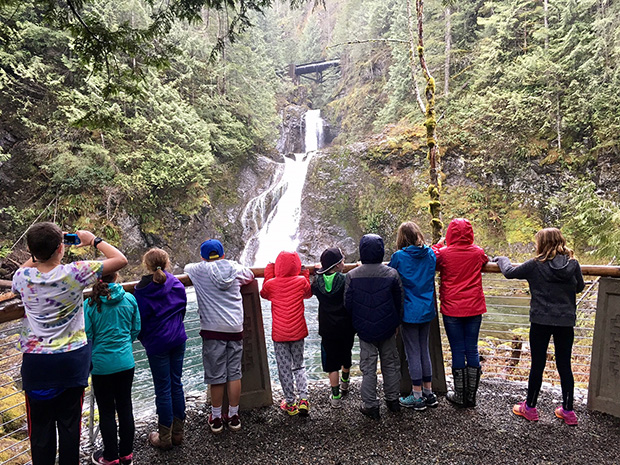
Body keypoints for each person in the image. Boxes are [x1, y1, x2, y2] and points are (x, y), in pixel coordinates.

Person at [11, 223, 127, 465]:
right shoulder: (75, 272)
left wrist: (42, 251)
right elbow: (120, 259)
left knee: (40, 431)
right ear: (61, 249)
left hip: (37, 364)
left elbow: (22, 270)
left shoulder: (22, 277)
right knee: (70, 427)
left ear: (31, 251)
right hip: (72, 361)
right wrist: (93, 240)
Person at [494, 228, 585, 426]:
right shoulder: (573, 264)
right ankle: (568, 411)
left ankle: (531, 408)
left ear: (542, 243)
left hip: (540, 321)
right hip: (565, 321)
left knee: (537, 363)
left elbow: (509, 272)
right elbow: (579, 287)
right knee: (564, 365)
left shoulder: (535, 265)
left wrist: (501, 258)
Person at [184, 239, 254, 433]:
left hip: (212, 330)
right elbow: (249, 275)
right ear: (223, 254)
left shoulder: (198, 270)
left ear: (203, 257)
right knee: (234, 373)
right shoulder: (235, 268)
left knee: (216, 375)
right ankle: (233, 415)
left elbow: (186, 267)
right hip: (235, 328)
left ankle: (216, 418)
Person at [134, 248, 187, 450]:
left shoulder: (140, 291)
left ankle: (164, 437)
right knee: (177, 384)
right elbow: (181, 309)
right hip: (178, 338)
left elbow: (140, 321)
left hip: (157, 343)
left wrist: (144, 338)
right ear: (167, 263)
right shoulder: (176, 283)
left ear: (146, 265)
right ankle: (178, 433)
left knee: (163, 389)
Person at [345, 234, 403, 420]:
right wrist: (396, 323)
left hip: (364, 330)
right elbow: (399, 302)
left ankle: (370, 405)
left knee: (368, 367)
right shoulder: (392, 274)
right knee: (391, 364)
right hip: (387, 327)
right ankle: (393, 401)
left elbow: (348, 304)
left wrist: (358, 323)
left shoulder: (351, 276)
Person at [85, 272, 141, 465]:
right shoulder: (129, 298)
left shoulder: (90, 304)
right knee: (125, 407)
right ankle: (127, 455)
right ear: (117, 276)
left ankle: (110, 456)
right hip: (125, 361)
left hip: (101, 365)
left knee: (107, 410)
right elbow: (136, 328)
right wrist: (125, 344)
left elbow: (88, 335)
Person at [432, 218, 488, 408]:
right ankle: (471, 397)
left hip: (452, 308)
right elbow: (485, 260)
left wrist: (437, 246)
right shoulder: (477, 252)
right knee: (471, 348)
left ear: (450, 234)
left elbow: (432, 258)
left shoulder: (444, 254)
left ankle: (459, 394)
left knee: (457, 349)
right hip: (474, 307)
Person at [388, 222, 438, 411]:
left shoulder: (399, 257)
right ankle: (428, 392)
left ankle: (417, 396)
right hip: (427, 309)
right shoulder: (430, 254)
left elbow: (389, 274)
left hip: (409, 311)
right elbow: (435, 255)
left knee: (413, 352)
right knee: (424, 349)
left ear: (402, 238)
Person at [260, 251, 313, 416]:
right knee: (299, 365)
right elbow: (308, 293)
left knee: (284, 368)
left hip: (280, 334)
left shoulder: (272, 284)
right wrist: (304, 273)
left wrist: (269, 271)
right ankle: (304, 399)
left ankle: (290, 403)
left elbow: (264, 293)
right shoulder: (301, 282)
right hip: (298, 332)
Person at [311, 247, 355, 408]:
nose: (344, 263)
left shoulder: (317, 282)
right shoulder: (345, 279)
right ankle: (345, 382)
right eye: (342, 261)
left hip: (327, 327)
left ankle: (335, 396)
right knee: (346, 353)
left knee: (331, 362)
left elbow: (315, 282)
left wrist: (317, 272)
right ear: (337, 266)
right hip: (345, 326)